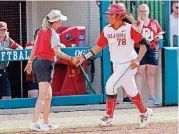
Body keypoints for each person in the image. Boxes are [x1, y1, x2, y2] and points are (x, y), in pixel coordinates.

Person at [76, 3, 153, 128]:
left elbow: (145, 43)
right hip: (117, 64)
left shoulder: (129, 28)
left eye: (111, 14)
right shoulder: (107, 29)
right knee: (131, 91)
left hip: (129, 64)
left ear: (120, 15)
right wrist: (83, 57)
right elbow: (98, 47)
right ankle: (145, 112)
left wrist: (138, 59)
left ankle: (108, 117)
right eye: (109, 14)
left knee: (110, 86)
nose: (109, 16)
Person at [24, 9, 79, 131]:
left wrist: (30, 62)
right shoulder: (53, 34)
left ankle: (46, 123)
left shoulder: (42, 32)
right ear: (56, 22)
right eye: (59, 20)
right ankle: (34, 123)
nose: (61, 22)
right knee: (43, 96)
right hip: (44, 64)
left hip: (40, 63)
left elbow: (34, 49)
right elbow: (57, 52)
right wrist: (71, 58)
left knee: (48, 96)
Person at [134, 4, 163, 105]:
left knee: (150, 74)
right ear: (138, 12)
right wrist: (141, 23)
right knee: (139, 73)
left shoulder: (154, 22)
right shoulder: (136, 23)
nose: (143, 13)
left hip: (152, 49)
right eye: (141, 11)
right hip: (140, 49)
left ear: (148, 12)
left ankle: (152, 96)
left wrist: (157, 38)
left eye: (145, 11)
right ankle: (138, 97)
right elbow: (136, 35)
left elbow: (160, 34)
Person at [0, 21, 23, 99]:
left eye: (4, 30)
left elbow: (20, 48)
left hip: (3, 70)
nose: (3, 32)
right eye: (1, 30)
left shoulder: (8, 40)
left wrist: (8, 49)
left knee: (7, 97)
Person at [24, 29, 40, 98]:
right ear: (34, 36)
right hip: (32, 76)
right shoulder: (29, 44)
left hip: (43, 75)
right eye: (38, 35)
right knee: (34, 96)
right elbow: (27, 49)